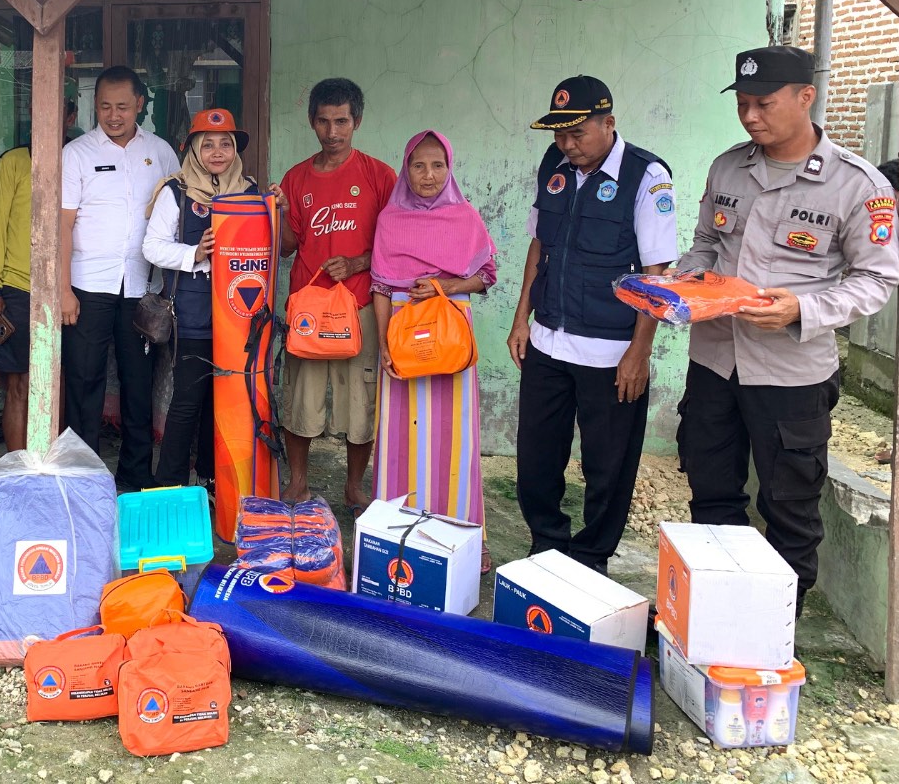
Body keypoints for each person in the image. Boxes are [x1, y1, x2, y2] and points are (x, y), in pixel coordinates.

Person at [675, 46, 898, 613]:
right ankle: (716, 618)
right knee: (712, 493)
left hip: (791, 375)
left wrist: (802, 309)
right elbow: (706, 244)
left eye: (764, 104)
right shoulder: (728, 167)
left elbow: (876, 279)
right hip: (714, 362)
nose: (750, 116)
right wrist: (684, 282)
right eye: (742, 104)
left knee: (789, 507)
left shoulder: (857, 185)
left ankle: (775, 633)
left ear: (805, 97)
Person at [507, 75, 677, 576]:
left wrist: (639, 353)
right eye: (559, 134)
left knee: (608, 466)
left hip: (611, 353)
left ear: (609, 124)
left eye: (577, 133)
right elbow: (540, 245)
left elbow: (656, 274)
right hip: (547, 342)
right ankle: (546, 544)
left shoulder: (646, 176)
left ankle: (591, 558)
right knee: (537, 458)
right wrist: (521, 319)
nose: (567, 144)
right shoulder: (554, 167)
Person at [371, 130, 498, 568]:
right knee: (398, 439)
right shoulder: (390, 219)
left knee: (456, 439)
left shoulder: (465, 217)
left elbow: (486, 275)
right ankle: (395, 537)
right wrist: (384, 344)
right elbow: (380, 287)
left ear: (450, 168)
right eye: (419, 165)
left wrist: (445, 284)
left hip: (450, 334)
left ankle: (463, 538)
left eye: (438, 165)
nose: (428, 175)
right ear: (406, 169)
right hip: (403, 333)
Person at [278, 78, 396, 513]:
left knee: (360, 404)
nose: (333, 132)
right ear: (312, 122)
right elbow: (288, 246)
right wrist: (281, 213)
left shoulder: (380, 176)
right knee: (300, 399)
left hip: (360, 305)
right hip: (309, 305)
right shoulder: (296, 178)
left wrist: (358, 263)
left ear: (357, 122)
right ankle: (298, 484)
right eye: (324, 122)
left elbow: (395, 244)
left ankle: (353, 488)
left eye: (342, 121)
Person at [61, 66, 180, 491]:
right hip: (87, 286)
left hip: (142, 289)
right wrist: (62, 289)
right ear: (95, 106)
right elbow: (63, 224)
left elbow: (178, 213)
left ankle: (135, 476)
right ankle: (84, 477)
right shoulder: (76, 153)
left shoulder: (161, 152)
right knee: (83, 380)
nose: (114, 115)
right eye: (105, 107)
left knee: (138, 383)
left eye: (123, 107)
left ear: (140, 106)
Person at [142, 109, 258, 488]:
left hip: (238, 316)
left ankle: (212, 481)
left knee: (223, 402)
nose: (217, 152)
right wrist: (195, 253)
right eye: (207, 145)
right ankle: (169, 486)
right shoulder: (176, 192)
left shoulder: (250, 193)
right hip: (192, 315)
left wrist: (275, 210)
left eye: (226, 144)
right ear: (192, 150)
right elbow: (152, 247)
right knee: (188, 401)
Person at [0, 99, 79, 452]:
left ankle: (51, 461)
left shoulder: (78, 160)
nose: (46, 120)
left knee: (59, 382)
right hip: (18, 287)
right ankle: (19, 466)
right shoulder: (13, 162)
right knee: (20, 383)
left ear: (70, 117)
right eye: (38, 112)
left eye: (57, 113)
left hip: (68, 289)